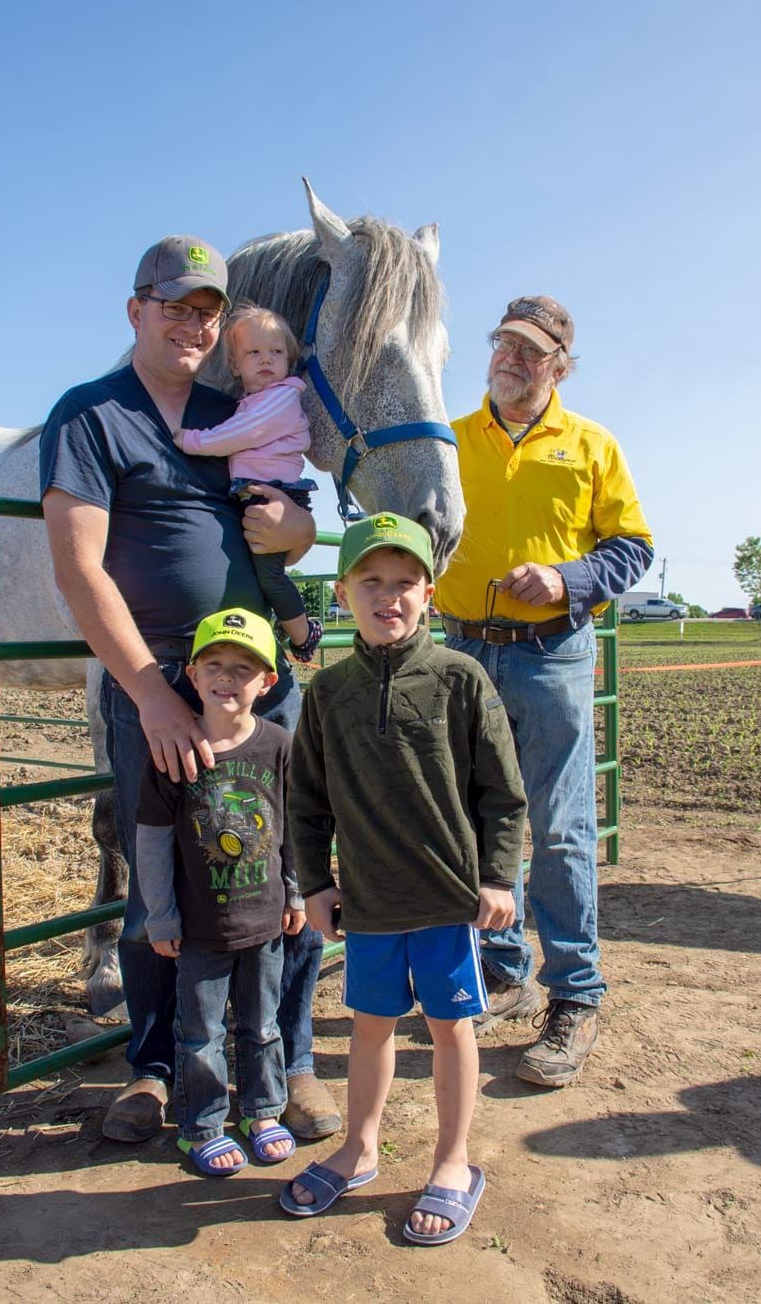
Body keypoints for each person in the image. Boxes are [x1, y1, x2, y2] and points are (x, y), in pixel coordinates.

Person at [40, 234, 341, 1144]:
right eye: (174, 307)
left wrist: (297, 529)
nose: (193, 325)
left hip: (264, 686)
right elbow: (80, 569)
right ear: (136, 311)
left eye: (207, 312)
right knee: (159, 879)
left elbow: (288, 500)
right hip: (163, 684)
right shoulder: (92, 416)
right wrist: (151, 695)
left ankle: (289, 1065)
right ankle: (155, 1065)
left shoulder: (236, 406)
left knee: (285, 871)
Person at [284, 514, 527, 1245]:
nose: (387, 596)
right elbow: (306, 799)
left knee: (451, 1028)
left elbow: (501, 792)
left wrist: (497, 876)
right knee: (369, 1027)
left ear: (428, 592)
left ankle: (453, 1162)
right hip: (369, 900)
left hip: (448, 898)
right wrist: (316, 885)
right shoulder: (327, 692)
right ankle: (359, 1148)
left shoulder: (461, 677)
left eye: (404, 583)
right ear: (342, 592)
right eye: (371, 582)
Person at [434, 296, 653, 1087]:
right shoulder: (448, 439)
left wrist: (566, 579)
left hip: (552, 654)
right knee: (472, 820)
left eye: (531, 352)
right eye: (503, 344)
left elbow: (633, 549)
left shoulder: (592, 444)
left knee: (559, 829)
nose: (511, 360)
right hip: (460, 651)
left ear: (560, 366)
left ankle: (575, 996)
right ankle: (502, 972)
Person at [136, 608, 302, 1174]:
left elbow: (294, 826)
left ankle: (263, 1110)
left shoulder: (279, 746)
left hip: (265, 921)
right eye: (215, 665)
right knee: (201, 1033)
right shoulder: (172, 750)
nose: (227, 677)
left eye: (243, 667)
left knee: (262, 1025)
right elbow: (153, 839)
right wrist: (159, 916)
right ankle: (200, 1125)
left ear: (268, 681)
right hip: (198, 928)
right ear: (192, 673)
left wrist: (297, 893)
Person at [173, 305, 322, 663]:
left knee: (269, 576)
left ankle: (304, 635)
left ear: (289, 360)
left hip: (273, 494)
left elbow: (239, 435)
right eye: (254, 353)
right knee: (258, 572)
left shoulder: (281, 398)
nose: (266, 360)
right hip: (257, 491)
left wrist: (190, 440)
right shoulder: (255, 401)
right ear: (236, 366)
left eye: (276, 352)